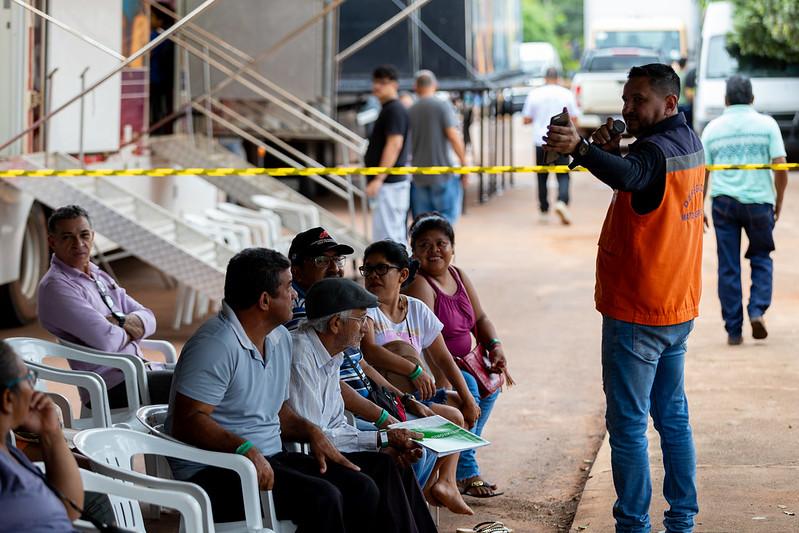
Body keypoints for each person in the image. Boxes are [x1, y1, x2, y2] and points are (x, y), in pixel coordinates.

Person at [543, 63, 704, 532]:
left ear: (669, 103)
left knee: (630, 426)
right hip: (677, 305)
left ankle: (633, 525)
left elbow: (636, 175)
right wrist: (598, 154)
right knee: (672, 417)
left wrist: (581, 149)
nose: (627, 108)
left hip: (638, 309)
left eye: (639, 100)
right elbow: (637, 178)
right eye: (626, 99)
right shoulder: (688, 143)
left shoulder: (655, 153)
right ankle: (683, 519)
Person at [165, 247, 416, 532]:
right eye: (287, 288)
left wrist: (311, 432)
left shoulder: (279, 339)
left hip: (269, 459)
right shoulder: (215, 345)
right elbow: (187, 422)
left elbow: (278, 409)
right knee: (324, 498)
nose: (295, 295)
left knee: (366, 482)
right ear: (264, 300)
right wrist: (245, 449)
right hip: (216, 471)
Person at [288, 277, 437, 533]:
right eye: (361, 319)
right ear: (336, 323)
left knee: (393, 462)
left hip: (328, 449)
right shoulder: (301, 357)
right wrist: (381, 440)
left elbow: (337, 426)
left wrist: (386, 440)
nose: (366, 328)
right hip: (308, 459)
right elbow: (318, 438)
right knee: (380, 470)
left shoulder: (330, 354)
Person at [360, 239, 482, 515]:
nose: (373, 276)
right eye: (367, 270)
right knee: (453, 418)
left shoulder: (415, 308)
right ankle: (425, 490)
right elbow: (370, 351)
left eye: (381, 269)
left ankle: (444, 482)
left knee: (462, 407)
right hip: (384, 397)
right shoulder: (365, 309)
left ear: (402, 274)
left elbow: (443, 357)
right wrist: (413, 369)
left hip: (413, 395)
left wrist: (466, 396)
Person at [405, 212, 514, 499]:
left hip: (470, 360)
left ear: (453, 247)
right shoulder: (420, 285)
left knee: (490, 383)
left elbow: (481, 317)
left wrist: (495, 345)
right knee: (469, 398)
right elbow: (429, 342)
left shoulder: (458, 275)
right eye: (424, 245)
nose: (434, 251)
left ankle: (460, 464)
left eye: (441, 243)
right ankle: (465, 472)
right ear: (413, 252)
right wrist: (451, 381)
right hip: (441, 367)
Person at [37, 205, 172, 409]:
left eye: (84, 235)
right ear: (52, 242)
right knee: (199, 387)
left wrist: (118, 322)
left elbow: (150, 318)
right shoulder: (56, 287)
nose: (78, 244)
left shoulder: (97, 275)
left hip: (142, 370)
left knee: (209, 374)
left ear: (92, 236)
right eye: (67, 237)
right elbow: (106, 341)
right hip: (110, 387)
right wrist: (130, 325)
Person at [701, 75, 789, 345]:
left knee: (728, 266)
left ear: (726, 100)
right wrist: (779, 200)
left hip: (723, 204)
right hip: (760, 202)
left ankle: (733, 329)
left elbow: (703, 173)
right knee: (761, 257)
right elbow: (780, 166)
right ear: (752, 98)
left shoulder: (713, 129)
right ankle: (757, 309)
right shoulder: (767, 125)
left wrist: (700, 204)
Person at [0, 340, 83, 531]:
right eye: (29, 379)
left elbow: (69, 509)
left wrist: (51, 433)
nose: (34, 389)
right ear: (8, 398)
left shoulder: (8, 452)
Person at [521, 67, 579, 225]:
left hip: (541, 141)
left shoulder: (535, 94)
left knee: (542, 175)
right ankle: (562, 201)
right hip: (561, 141)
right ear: (558, 78)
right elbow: (575, 118)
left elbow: (525, 120)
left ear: (545, 78)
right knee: (563, 174)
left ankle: (544, 210)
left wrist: (538, 118)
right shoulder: (566, 94)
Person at [408, 70, 468, 223]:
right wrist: (464, 163)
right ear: (435, 85)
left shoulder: (410, 110)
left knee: (422, 226)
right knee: (445, 224)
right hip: (442, 174)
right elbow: (453, 136)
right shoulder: (442, 106)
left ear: (416, 87)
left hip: (418, 175)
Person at [364, 65, 412, 244]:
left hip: (390, 185)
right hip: (389, 184)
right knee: (388, 236)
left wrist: (378, 178)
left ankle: (397, 272)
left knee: (389, 239)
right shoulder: (389, 109)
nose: (377, 86)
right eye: (376, 82)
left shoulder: (394, 110)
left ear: (394, 85)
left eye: (383, 82)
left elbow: (394, 144)